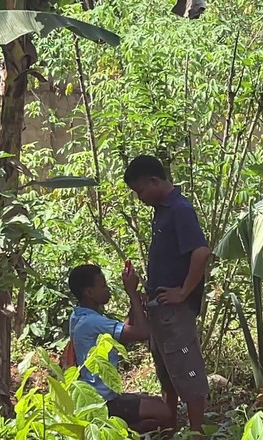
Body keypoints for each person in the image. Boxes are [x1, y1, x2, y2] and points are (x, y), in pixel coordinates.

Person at [123, 155, 211, 437]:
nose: (140, 197)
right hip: (160, 308)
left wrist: (183, 291)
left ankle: (196, 431)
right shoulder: (162, 210)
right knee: (167, 371)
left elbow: (201, 252)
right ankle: (170, 427)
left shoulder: (180, 210)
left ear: (154, 180)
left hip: (176, 312)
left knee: (187, 368)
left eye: (140, 191)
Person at [68, 263, 174, 435]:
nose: (107, 289)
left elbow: (122, 333)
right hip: (104, 401)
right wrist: (132, 292)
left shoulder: (79, 316)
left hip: (99, 397)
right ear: (89, 293)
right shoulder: (92, 322)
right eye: (103, 286)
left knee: (155, 402)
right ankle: (119, 430)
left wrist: (135, 305)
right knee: (165, 413)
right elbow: (142, 332)